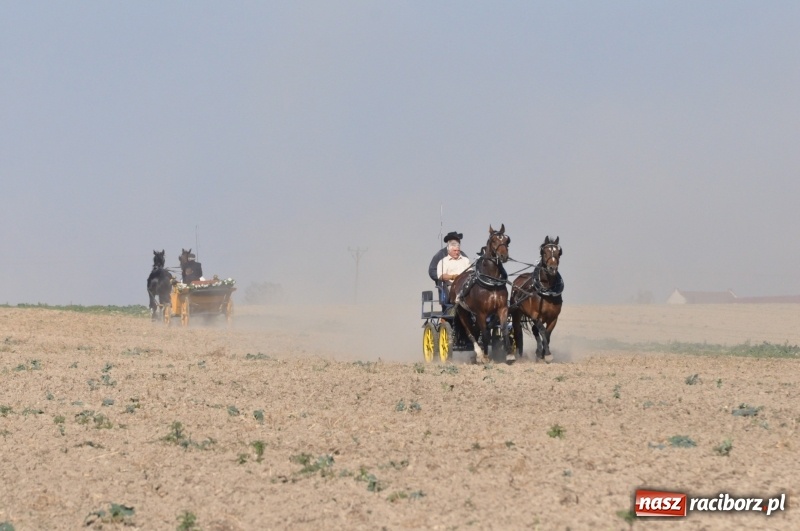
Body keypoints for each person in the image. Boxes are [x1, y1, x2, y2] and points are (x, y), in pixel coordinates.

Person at [436, 238, 472, 305]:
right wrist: (453, 277)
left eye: (458, 250)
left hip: (467, 285)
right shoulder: (443, 262)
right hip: (452, 286)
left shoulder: (465, 260)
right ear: (449, 251)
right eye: (454, 250)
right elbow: (441, 276)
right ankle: (458, 304)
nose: (457, 252)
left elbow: (471, 272)